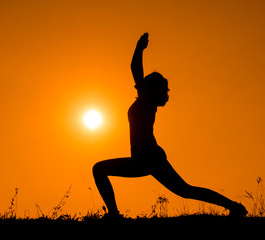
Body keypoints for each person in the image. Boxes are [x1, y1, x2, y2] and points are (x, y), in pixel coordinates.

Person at [92, 33, 247, 218]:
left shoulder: (146, 101)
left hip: (147, 157)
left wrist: (139, 48)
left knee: (99, 169)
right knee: (186, 190)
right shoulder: (146, 102)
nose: (139, 83)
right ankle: (234, 207)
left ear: (148, 88)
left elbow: (134, 68)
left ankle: (113, 215)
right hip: (149, 157)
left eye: (144, 82)